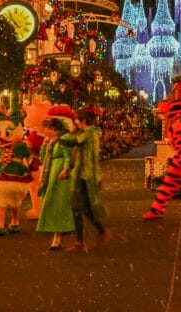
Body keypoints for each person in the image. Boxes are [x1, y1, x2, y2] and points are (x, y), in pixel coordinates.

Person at [67, 108, 110, 253]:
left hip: (86, 175)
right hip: (81, 174)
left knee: (82, 207)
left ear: (84, 120)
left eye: (77, 119)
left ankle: (99, 232)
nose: (75, 122)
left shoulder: (90, 133)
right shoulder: (86, 133)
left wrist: (61, 134)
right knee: (78, 207)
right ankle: (83, 239)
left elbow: (74, 141)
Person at [36, 115, 76, 250]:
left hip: (59, 175)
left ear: (52, 128)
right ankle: (59, 233)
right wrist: (44, 145)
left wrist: (65, 170)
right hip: (50, 173)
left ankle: (57, 238)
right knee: (53, 203)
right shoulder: (51, 141)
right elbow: (43, 158)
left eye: (45, 128)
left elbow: (68, 157)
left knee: (58, 204)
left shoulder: (64, 139)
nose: (43, 130)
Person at [0, 129, 34, 235]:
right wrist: (33, 169)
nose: (0, 143)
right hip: (17, 178)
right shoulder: (22, 146)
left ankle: (0, 225)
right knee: (15, 201)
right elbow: (31, 160)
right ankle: (14, 222)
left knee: (0, 203)